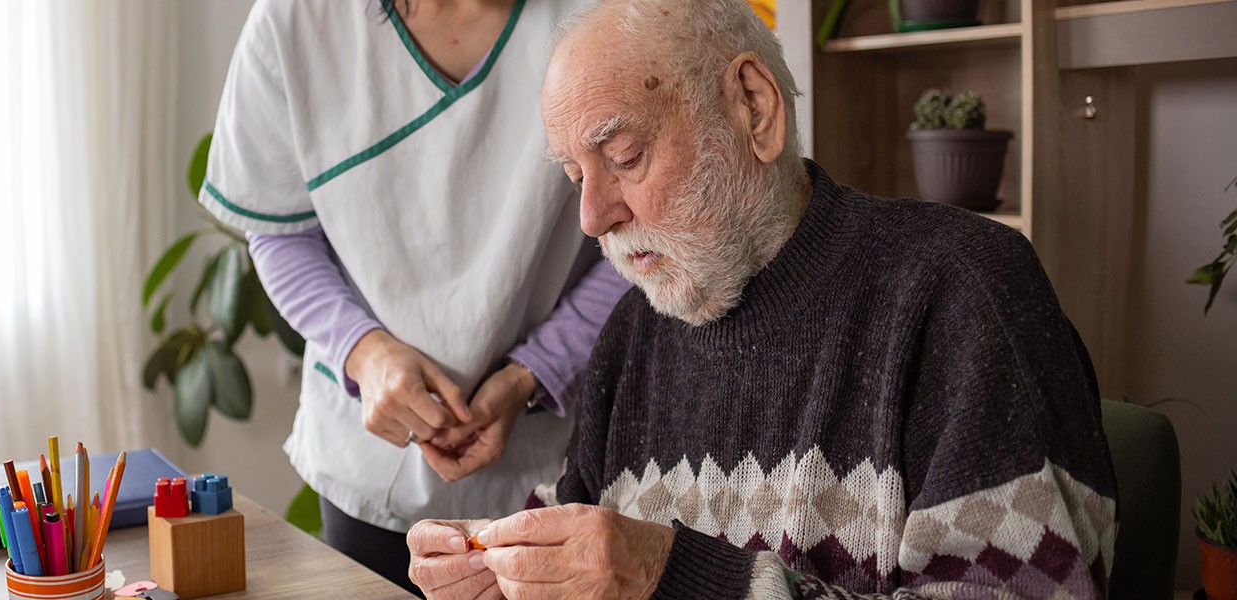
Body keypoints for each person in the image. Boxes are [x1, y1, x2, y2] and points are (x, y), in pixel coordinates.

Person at [405, 0, 1120, 597]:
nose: (593, 217)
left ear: (753, 107)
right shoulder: (633, 330)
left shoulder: (962, 292)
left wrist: (677, 577)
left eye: (624, 157)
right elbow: (587, 530)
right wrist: (502, 568)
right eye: (573, 175)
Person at [197, 0, 631, 593]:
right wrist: (365, 352)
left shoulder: (608, 13)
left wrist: (536, 370)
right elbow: (279, 234)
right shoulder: (294, 22)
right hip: (371, 470)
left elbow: (638, 226)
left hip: (558, 458)